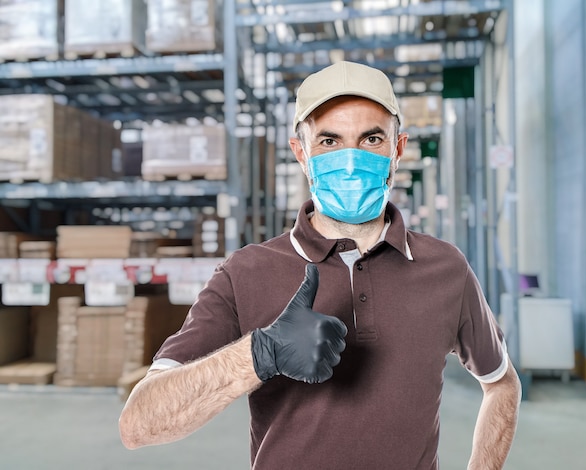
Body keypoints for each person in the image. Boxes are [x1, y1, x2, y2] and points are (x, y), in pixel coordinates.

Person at [119, 60, 522, 469]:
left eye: (371, 139)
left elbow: (502, 383)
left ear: (398, 149)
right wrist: (260, 354)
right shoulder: (246, 273)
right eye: (329, 141)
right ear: (301, 152)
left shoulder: (446, 268)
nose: (350, 161)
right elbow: (139, 423)